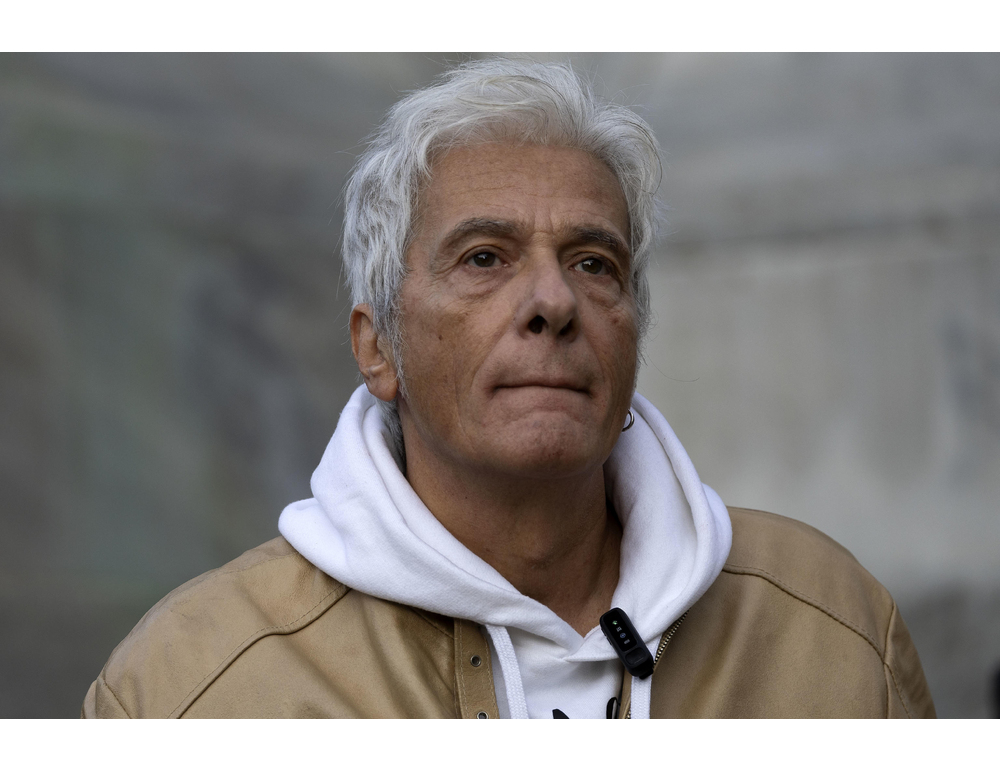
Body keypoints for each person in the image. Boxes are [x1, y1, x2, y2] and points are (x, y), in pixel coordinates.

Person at [81, 58, 935, 719]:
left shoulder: (832, 631)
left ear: (633, 331)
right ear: (377, 346)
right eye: (484, 258)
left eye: (593, 263)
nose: (553, 303)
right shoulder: (193, 687)